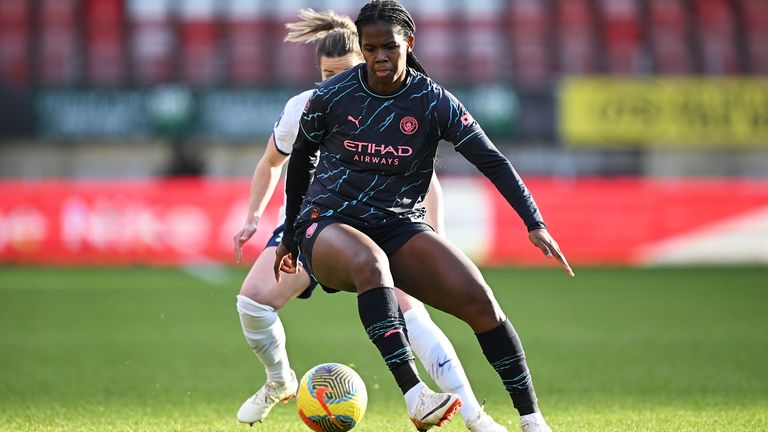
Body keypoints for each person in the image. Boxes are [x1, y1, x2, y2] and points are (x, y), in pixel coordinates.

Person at [274, 1, 575, 431]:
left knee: (481, 301)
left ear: (408, 43)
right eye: (371, 47)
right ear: (361, 47)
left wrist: (534, 222)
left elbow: (491, 160)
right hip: (328, 222)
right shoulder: (332, 96)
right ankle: (416, 395)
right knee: (370, 263)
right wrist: (289, 235)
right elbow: (300, 160)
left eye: (390, 48)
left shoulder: (432, 101)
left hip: (398, 224)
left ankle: (532, 420)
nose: (380, 57)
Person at [234, 9, 508, 432]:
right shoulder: (303, 108)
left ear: (365, 60)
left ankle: (474, 415)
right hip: (316, 225)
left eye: (342, 71)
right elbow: (272, 161)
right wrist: (254, 216)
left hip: (383, 221)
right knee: (252, 302)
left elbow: (426, 178)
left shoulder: (391, 103)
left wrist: (434, 234)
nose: (332, 81)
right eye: (325, 73)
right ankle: (278, 381)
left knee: (413, 316)